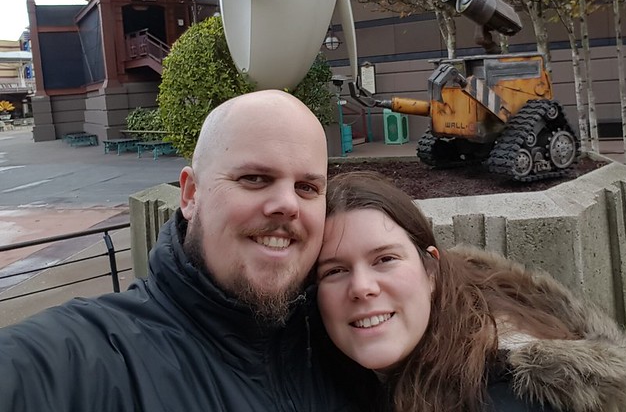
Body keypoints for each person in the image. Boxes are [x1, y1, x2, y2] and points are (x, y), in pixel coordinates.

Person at [0, 90, 369, 411]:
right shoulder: (93, 358)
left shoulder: (352, 344)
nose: (287, 204)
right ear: (191, 195)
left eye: (306, 187)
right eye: (254, 179)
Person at [317, 171, 626, 412]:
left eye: (385, 259)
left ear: (431, 270)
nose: (361, 287)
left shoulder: (506, 396)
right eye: (334, 270)